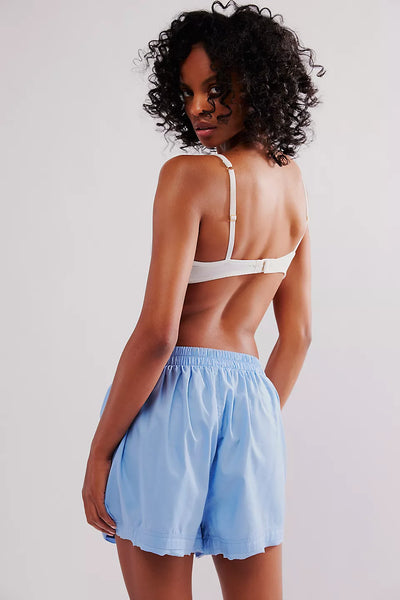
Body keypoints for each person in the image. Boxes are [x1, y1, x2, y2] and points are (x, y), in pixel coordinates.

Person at [82, 2, 325, 598]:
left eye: (216, 89)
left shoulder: (189, 176)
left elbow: (158, 335)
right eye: (187, 92)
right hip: (251, 401)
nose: (197, 108)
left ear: (257, 82)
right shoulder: (293, 181)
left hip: (169, 399)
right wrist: (250, 422)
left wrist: (100, 453)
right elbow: (297, 336)